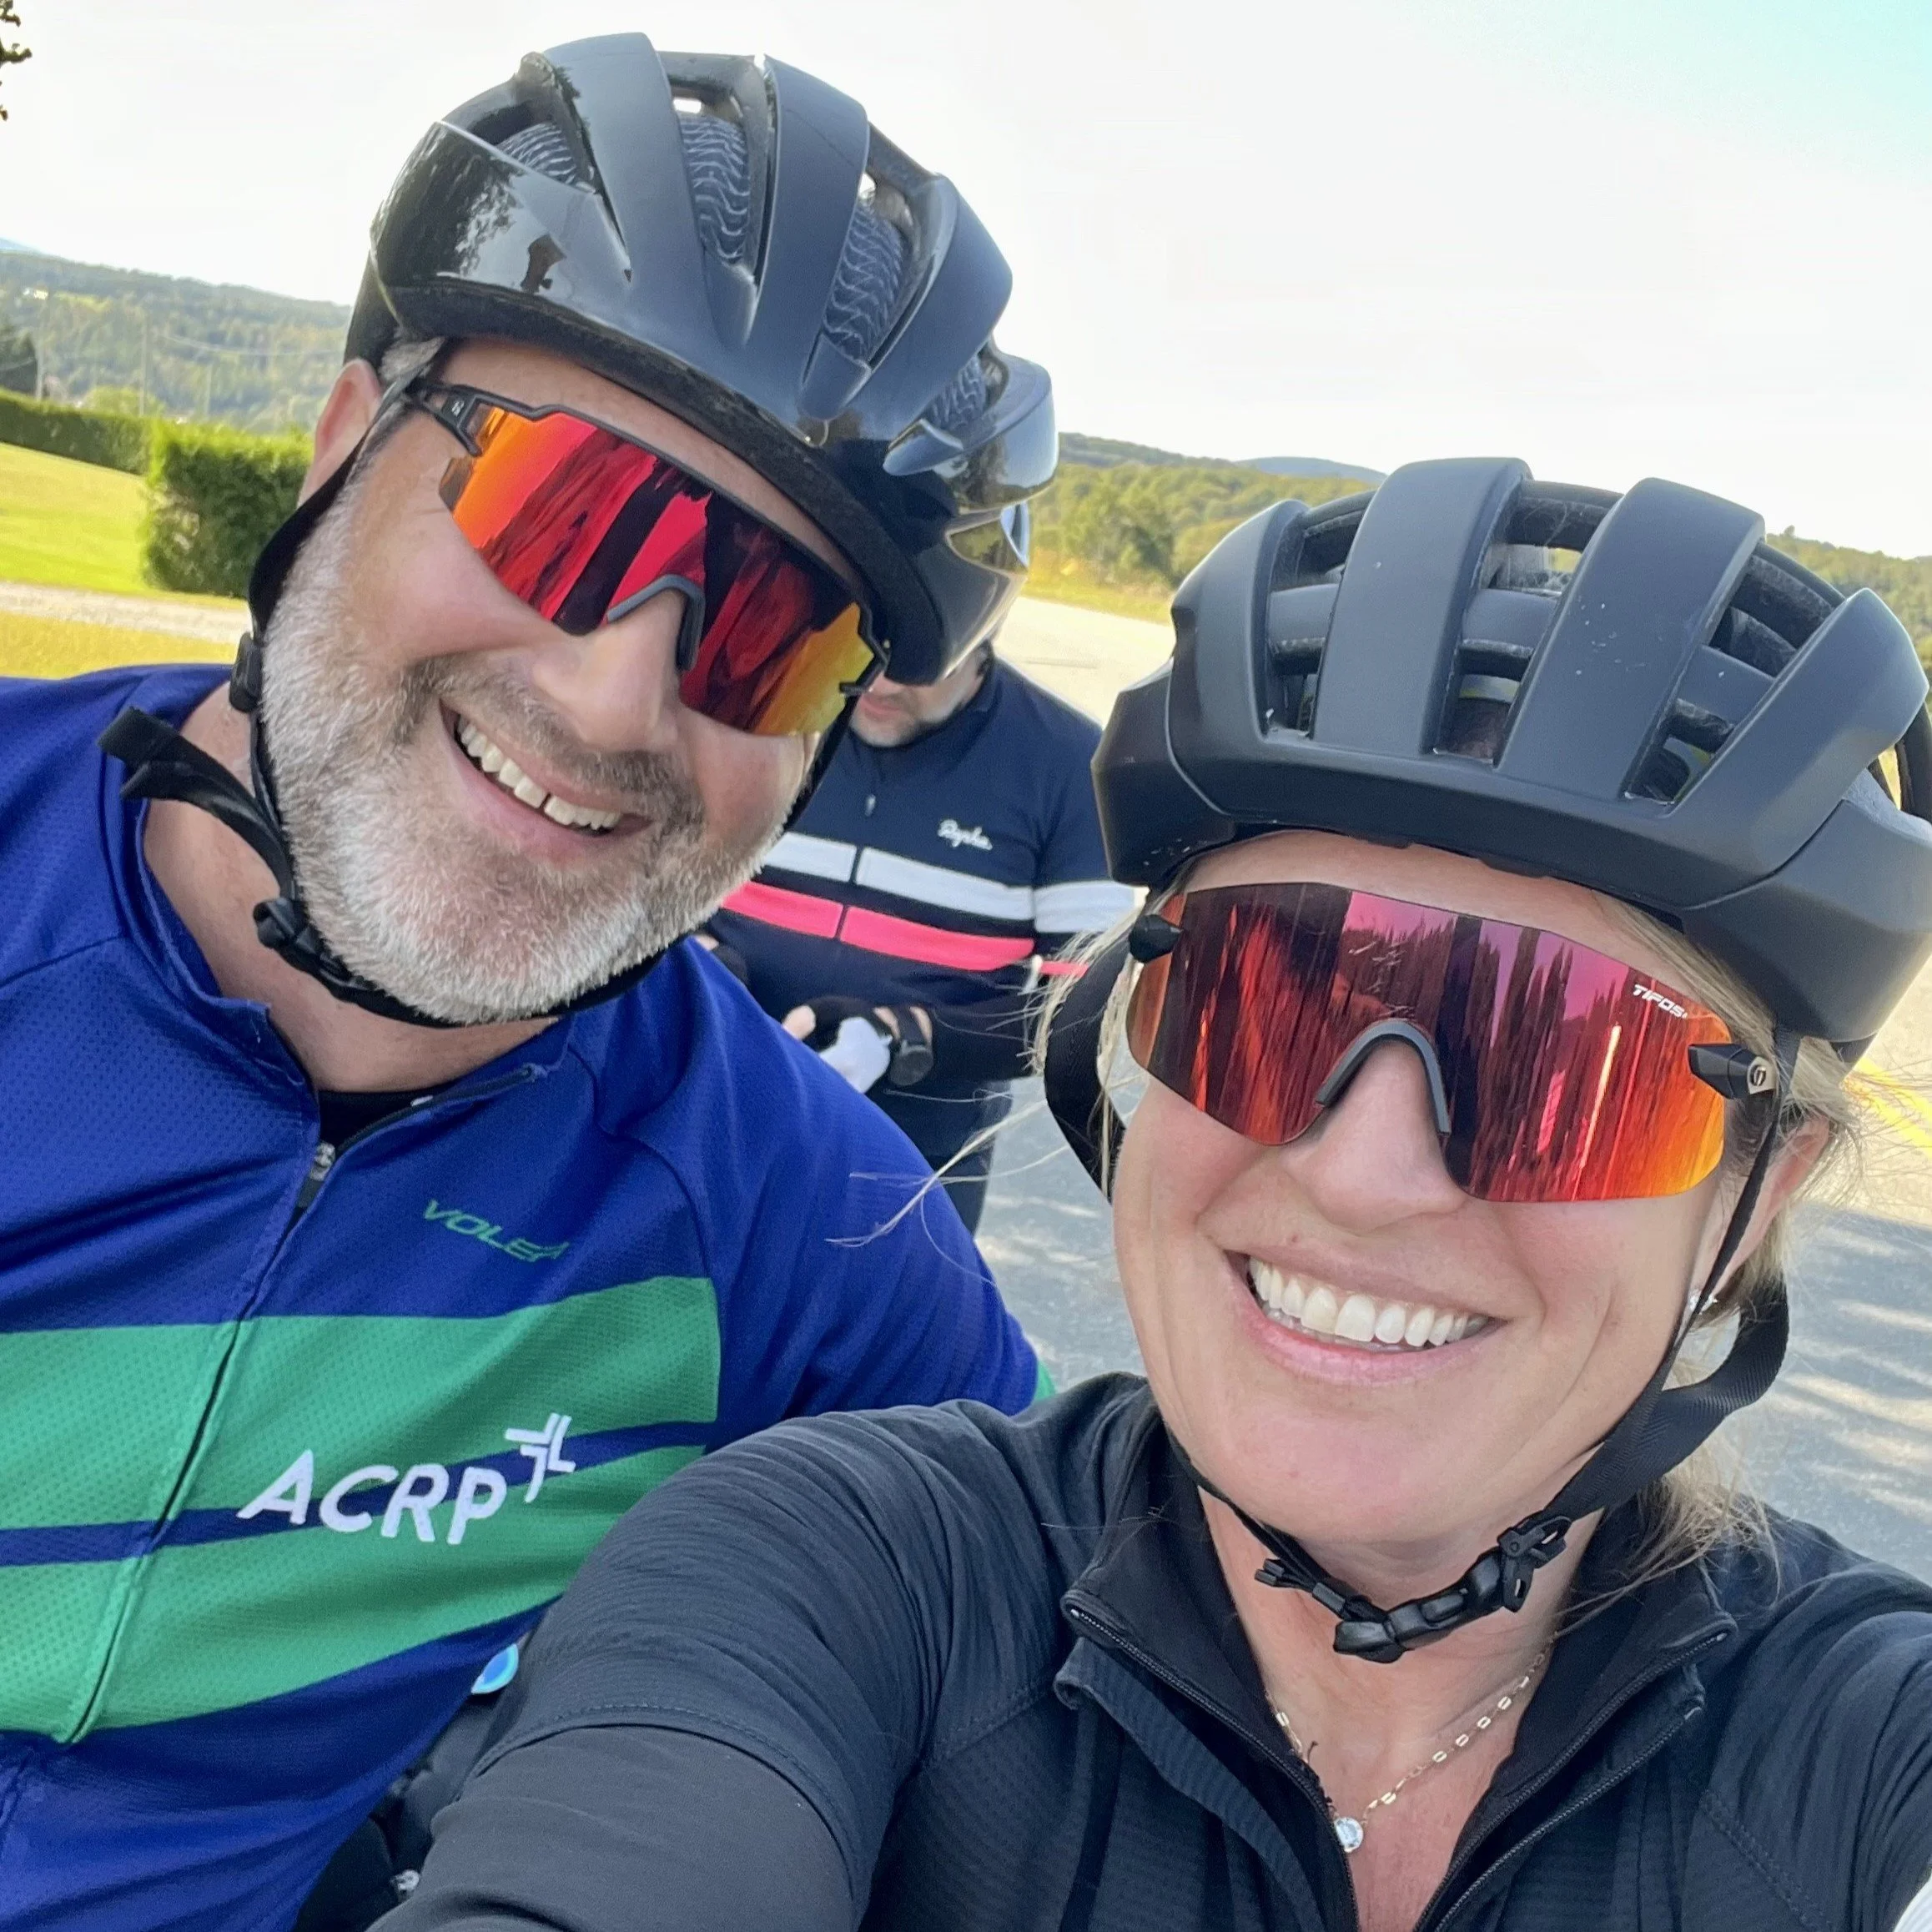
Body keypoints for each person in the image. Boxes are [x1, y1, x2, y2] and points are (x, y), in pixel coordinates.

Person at [376, 460, 1932, 1932]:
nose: (1363, 1176)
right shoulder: (837, 1573)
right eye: (1266, 1002)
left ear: (1755, 1197)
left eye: (1569, 1070)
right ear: (1127, 1041)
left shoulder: (1868, 1741)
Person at [0, 33, 1061, 1931]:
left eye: (767, 635)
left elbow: (1108, 1652)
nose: (611, 698)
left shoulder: (779, 1212)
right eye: (560, 512)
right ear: (342, 446)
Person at [703, 623, 1135, 1231]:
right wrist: (693, 956)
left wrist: (909, 1035)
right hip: (708, 1106)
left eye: (917, 664)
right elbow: (644, 877)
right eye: (867, 650)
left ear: (980, 635)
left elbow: (1084, 1010)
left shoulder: (1069, 763)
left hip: (914, 1159)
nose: (879, 685)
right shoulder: (776, 697)